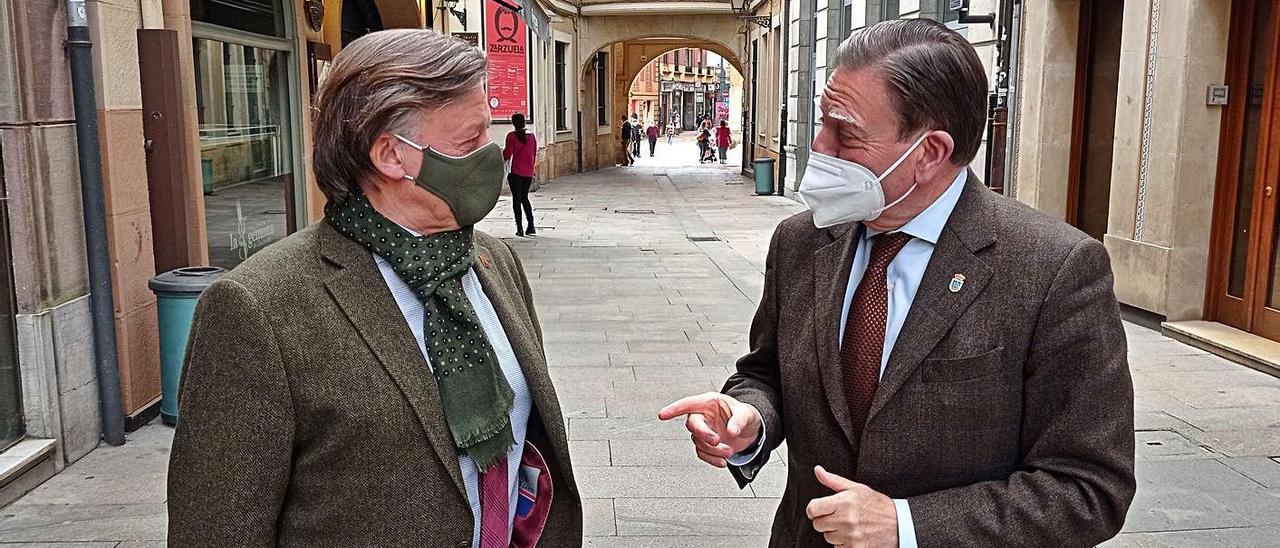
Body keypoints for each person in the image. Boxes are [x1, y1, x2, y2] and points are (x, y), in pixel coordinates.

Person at [659, 18, 1134, 547]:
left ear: (929, 152)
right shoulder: (802, 241)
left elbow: (1089, 488)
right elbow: (766, 372)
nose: (821, 147)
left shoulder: (1053, 269)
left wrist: (908, 526)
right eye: (822, 123)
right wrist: (749, 419)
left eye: (847, 133)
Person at [167, 29, 583, 547]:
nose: (490, 155)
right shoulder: (258, 307)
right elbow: (216, 528)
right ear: (391, 155)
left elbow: (527, 448)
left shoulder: (492, 261)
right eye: (469, 141)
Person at [503, 113, 537, 237]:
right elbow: (534, 153)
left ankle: (520, 228)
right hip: (528, 172)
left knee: (516, 199)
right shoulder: (531, 136)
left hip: (515, 172)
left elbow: (507, 154)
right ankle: (531, 225)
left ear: (513, 123)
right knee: (524, 198)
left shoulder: (511, 136)